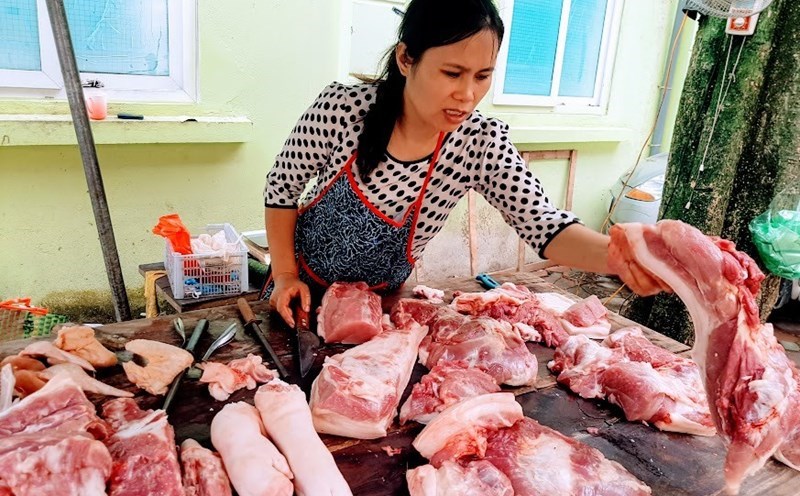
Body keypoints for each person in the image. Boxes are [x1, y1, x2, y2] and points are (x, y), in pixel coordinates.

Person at [262, 0, 668, 327]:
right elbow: (281, 186)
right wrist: (284, 275)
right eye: (452, 73)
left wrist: (623, 258)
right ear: (406, 59)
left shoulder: (479, 141)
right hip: (298, 289)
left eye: (482, 76)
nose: (467, 94)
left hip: (376, 308)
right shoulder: (344, 110)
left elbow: (544, 225)